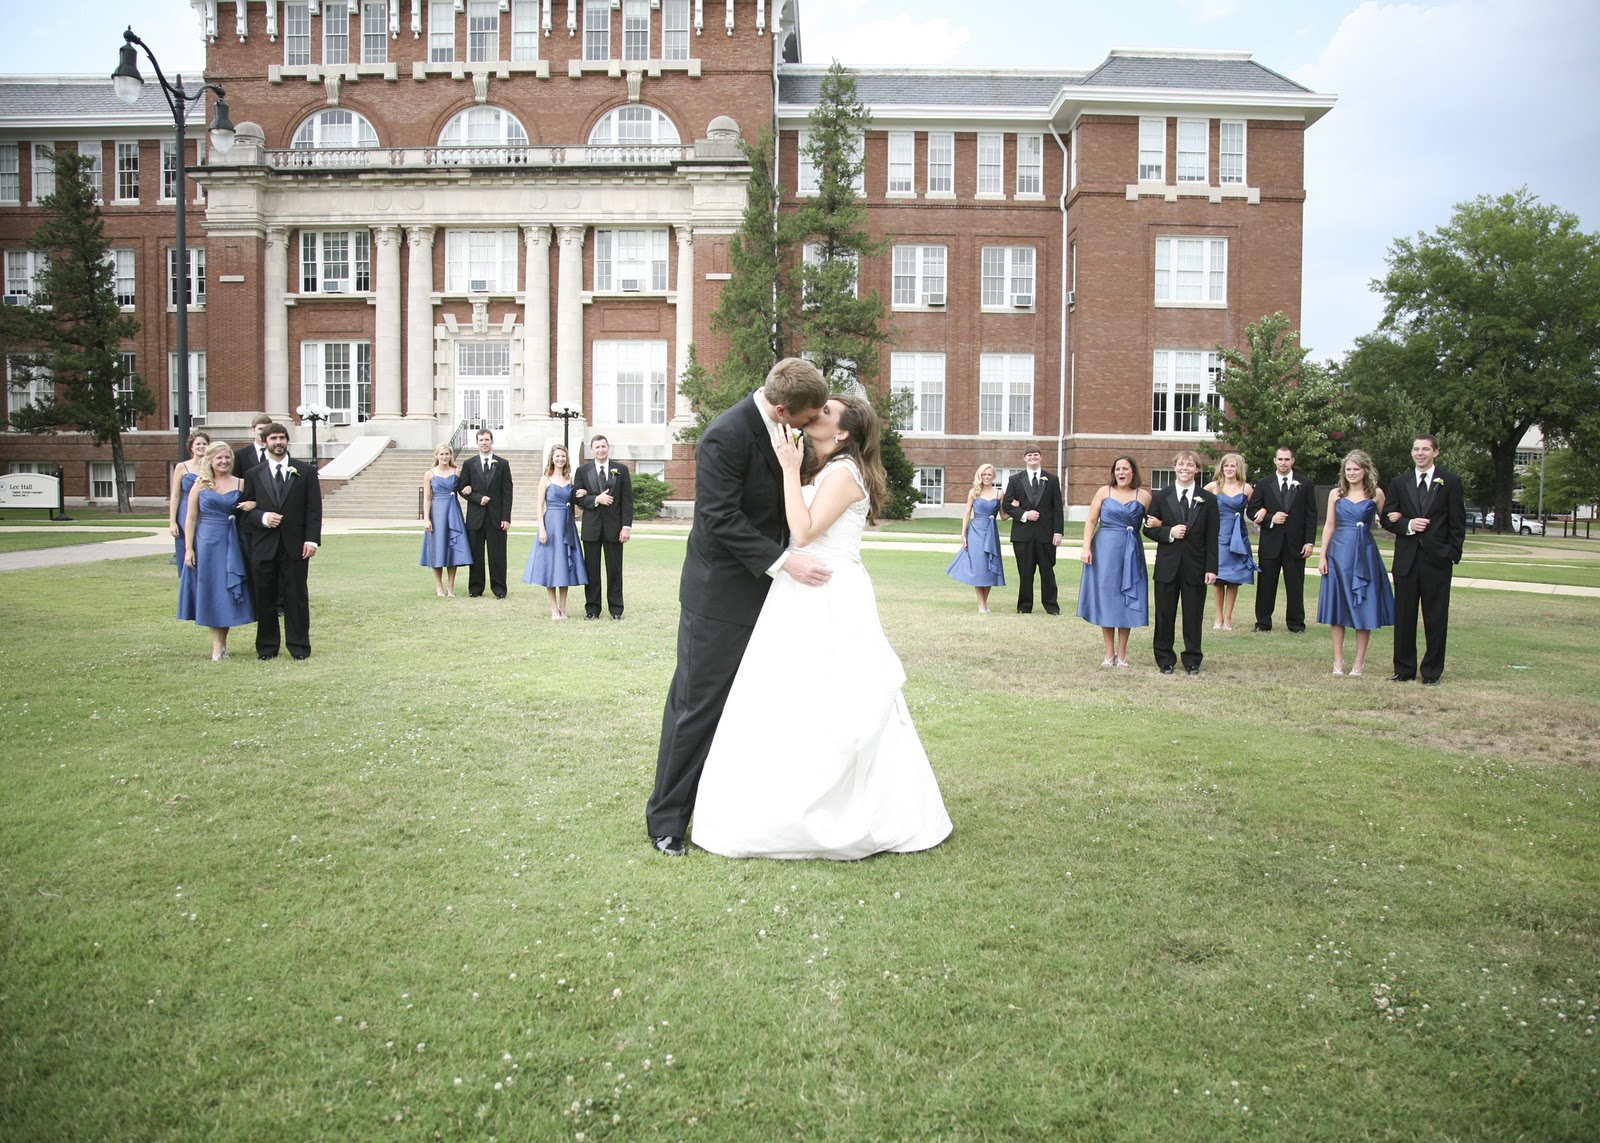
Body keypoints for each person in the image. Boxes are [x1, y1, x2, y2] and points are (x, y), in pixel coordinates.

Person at [692, 395, 953, 860]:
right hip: (801, 587)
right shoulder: (826, 468)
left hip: (828, 592)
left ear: (844, 432)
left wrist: (789, 470)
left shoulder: (843, 473)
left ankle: (848, 810)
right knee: (793, 696)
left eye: (826, 412)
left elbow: (804, 531)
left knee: (835, 698)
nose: (815, 415)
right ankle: (779, 803)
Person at [647, 358, 833, 857]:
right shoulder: (724, 436)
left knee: (750, 707)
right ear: (781, 409)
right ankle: (666, 819)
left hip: (771, 598)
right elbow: (719, 518)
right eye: (808, 417)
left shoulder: (785, 429)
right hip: (720, 597)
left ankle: (730, 808)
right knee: (696, 706)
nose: (813, 423)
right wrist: (784, 562)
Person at [1380, 434, 1466, 685]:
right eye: (1416, 449)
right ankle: (1403, 669)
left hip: (1437, 560)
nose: (1420, 453)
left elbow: (1457, 522)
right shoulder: (1400, 482)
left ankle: (1431, 672)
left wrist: (1451, 553)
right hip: (1406, 561)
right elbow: (1387, 518)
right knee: (1404, 617)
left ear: (1435, 452)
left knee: (1435, 617)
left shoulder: (1451, 482)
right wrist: (1408, 524)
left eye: (1425, 449)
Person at [239, 423, 323, 660]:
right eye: (273, 438)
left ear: (287, 440)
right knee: (264, 597)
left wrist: (312, 541)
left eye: (282, 438)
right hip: (263, 546)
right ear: (265, 442)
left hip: (295, 546)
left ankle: (299, 647)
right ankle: (267, 647)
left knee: (296, 597)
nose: (278, 442)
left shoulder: (305, 472)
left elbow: (314, 510)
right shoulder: (253, 474)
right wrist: (263, 517)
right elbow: (244, 513)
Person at [1316, 450, 1395, 677]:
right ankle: (1338, 662)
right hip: (1338, 554)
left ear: (1365, 470)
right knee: (1337, 607)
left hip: (1365, 554)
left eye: (1356, 469)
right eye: (1348, 469)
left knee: (1364, 607)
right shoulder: (1336, 494)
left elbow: (1388, 521)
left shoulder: (1376, 493)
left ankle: (1359, 663)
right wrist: (1322, 556)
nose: (1351, 473)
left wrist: (1400, 519)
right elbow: (1329, 525)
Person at [1144, 450, 1218, 675]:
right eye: (1181, 464)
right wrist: (1169, 532)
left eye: (1190, 465)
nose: (1185, 468)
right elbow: (1148, 529)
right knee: (1164, 614)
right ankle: (1165, 658)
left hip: (1196, 566)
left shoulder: (1208, 499)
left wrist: (1211, 568)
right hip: (1167, 566)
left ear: (1197, 469)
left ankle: (1192, 659)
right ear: (1174, 467)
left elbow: (1212, 536)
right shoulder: (1161, 496)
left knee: (1193, 615)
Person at [180, 441, 256, 661]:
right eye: (219, 458)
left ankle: (223, 643)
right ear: (210, 461)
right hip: (207, 543)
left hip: (232, 542)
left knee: (227, 593)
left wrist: (253, 504)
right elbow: (191, 518)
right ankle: (217, 647)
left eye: (227, 457)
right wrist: (188, 549)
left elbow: (257, 504)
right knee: (212, 591)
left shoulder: (241, 483)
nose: (224, 461)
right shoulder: (200, 484)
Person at [1076, 454, 1151, 667]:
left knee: (1126, 600)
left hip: (1131, 552)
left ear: (1133, 472)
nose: (1121, 472)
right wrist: (1086, 547)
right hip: (1104, 551)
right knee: (1107, 599)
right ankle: (1109, 653)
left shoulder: (1144, 496)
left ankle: (1122, 654)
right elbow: (1091, 521)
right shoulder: (1104, 491)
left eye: (1125, 468)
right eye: (1117, 469)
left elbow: (1153, 523)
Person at [1247, 445, 1317, 633]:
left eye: (1287, 459)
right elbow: (1252, 511)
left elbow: (1311, 515)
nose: (1283, 462)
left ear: (1293, 460)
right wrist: (1271, 518)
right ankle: (1263, 623)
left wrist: (1309, 542)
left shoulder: (1305, 484)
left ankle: (1296, 624)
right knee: (1266, 585)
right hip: (1270, 543)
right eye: (1280, 459)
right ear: (1274, 461)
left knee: (1295, 585)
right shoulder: (1264, 484)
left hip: (1296, 544)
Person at [572, 434, 634, 620]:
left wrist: (626, 527)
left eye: (603, 446)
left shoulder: (621, 469)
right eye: (597, 447)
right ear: (592, 450)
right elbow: (576, 498)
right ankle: (592, 609)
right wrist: (596, 499)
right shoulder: (582, 471)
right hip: (591, 528)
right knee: (591, 570)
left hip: (614, 528)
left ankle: (616, 609)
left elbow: (627, 500)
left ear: (608, 448)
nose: (600, 450)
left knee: (614, 570)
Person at [522, 444, 586, 620]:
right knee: (551, 566)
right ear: (552, 458)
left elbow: (575, 498)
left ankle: (563, 609)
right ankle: (553, 608)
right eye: (557, 456)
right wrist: (542, 529)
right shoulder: (545, 479)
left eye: (563, 456)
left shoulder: (569, 478)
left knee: (564, 566)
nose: (560, 459)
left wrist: (584, 491)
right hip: (550, 525)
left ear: (566, 459)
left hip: (567, 526)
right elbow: (539, 506)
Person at [1000, 445, 1064, 614]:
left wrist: (1058, 532)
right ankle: (1024, 607)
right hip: (1023, 535)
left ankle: (1051, 607)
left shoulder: (1052, 479)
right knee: (1025, 573)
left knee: (1047, 572)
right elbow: (1007, 505)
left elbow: (1057, 508)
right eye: (1029, 455)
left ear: (1040, 457)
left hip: (1046, 535)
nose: (1032, 458)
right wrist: (1025, 514)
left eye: (1035, 455)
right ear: (1025, 458)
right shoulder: (1015, 480)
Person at [458, 428, 513, 599]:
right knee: (476, 554)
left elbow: (507, 493)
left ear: (492, 441)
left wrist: (506, 517)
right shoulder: (469, 464)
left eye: (487, 440)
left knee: (498, 555)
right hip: (475, 517)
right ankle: (475, 588)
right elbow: (462, 488)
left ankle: (499, 589)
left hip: (497, 517)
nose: (484, 443)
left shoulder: (502, 464)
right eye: (481, 440)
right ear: (477, 443)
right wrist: (477, 498)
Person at [1205, 452, 1256, 630]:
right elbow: (1198, 504)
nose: (1229, 469)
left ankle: (1228, 618)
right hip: (1219, 535)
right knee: (1218, 577)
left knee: (1234, 578)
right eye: (1226, 465)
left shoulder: (1246, 488)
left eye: (1232, 466)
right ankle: (1218, 617)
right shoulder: (1213, 486)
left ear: (1238, 468)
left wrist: (1262, 512)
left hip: (1238, 536)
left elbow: (1254, 509)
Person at [944, 463, 1005, 612]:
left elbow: (1003, 516)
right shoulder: (974, 492)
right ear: (980, 476)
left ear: (993, 476)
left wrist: (1016, 508)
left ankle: (984, 603)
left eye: (989, 474)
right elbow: (967, 514)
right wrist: (963, 534)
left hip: (991, 534)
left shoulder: (999, 493)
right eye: (984, 474)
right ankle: (981, 605)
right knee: (979, 568)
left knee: (990, 567)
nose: (986, 477)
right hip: (975, 533)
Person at [418, 442, 471, 597]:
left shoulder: (457, 471)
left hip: (453, 511)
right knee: (437, 548)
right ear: (436, 456)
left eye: (447, 454)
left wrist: (469, 488)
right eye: (441, 454)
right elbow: (427, 498)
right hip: (437, 513)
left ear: (450, 456)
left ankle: (451, 587)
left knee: (452, 549)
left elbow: (465, 487)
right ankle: (439, 587)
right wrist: (426, 519)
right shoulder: (429, 474)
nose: (444, 457)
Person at [168, 429, 210, 573]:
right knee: (185, 544)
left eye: (204, 444)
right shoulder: (182, 467)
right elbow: (175, 495)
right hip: (185, 511)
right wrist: (172, 522)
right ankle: (185, 576)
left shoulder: (212, 467)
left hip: (204, 509)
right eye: (198, 444)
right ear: (191, 447)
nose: (201, 446)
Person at [233, 414, 274, 478]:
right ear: (253, 431)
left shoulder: (277, 452)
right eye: (260, 429)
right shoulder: (240, 454)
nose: (263, 432)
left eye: (267, 429)